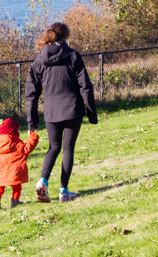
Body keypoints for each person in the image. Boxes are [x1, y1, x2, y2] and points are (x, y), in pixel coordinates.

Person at [26, 22, 98, 203]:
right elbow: (85, 86)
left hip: (51, 112)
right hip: (73, 109)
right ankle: (64, 191)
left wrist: (31, 123)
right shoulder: (73, 56)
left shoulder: (38, 60)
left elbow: (31, 94)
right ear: (65, 38)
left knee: (54, 147)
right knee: (68, 149)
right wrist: (91, 113)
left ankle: (43, 181)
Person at [0, 117, 39, 211]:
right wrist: (33, 137)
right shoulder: (16, 143)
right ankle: (15, 201)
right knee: (17, 186)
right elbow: (27, 148)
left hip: (0, 172)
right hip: (14, 172)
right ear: (13, 131)